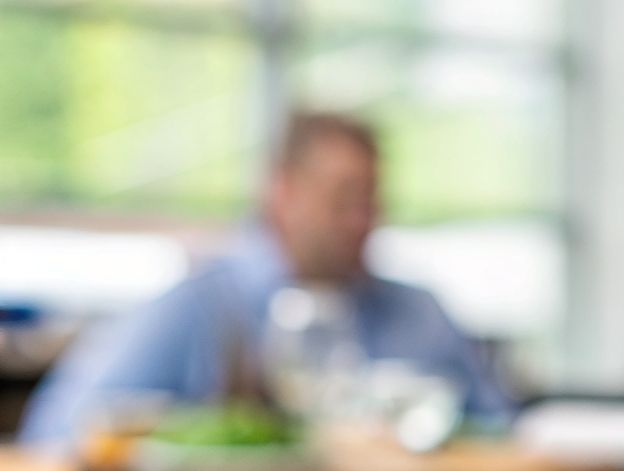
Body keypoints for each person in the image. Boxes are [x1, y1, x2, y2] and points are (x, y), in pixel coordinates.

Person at [19, 112, 515, 448]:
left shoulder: (418, 313)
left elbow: (506, 435)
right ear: (283, 193)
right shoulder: (202, 306)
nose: (362, 219)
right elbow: (57, 435)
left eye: (372, 201)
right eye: (343, 198)